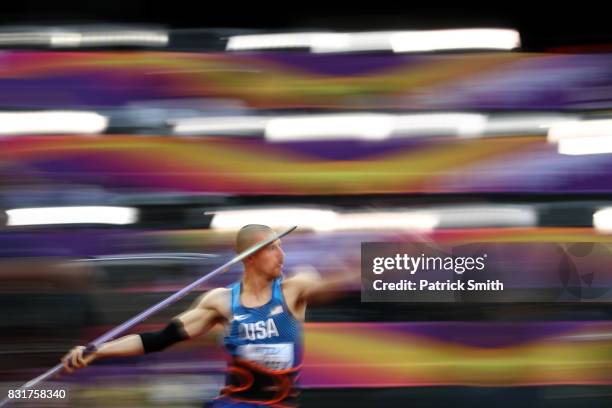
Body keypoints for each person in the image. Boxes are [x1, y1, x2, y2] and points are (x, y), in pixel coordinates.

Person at [62, 224, 353, 407]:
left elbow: (336, 286)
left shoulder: (295, 288)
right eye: (272, 249)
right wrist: (98, 351)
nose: (282, 256)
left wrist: (375, 265)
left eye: (281, 247)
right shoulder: (221, 302)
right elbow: (158, 339)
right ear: (250, 256)